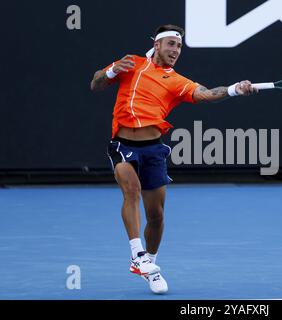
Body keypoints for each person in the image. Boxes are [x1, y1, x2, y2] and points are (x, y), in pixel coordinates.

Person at [90, 24, 257, 294]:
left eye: (179, 46)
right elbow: (95, 83)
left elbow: (206, 94)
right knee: (130, 191)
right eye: (171, 44)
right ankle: (137, 255)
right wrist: (110, 71)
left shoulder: (177, 81)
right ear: (157, 45)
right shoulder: (131, 63)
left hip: (153, 149)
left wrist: (235, 89)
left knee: (156, 216)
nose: (175, 50)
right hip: (123, 144)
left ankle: (150, 266)